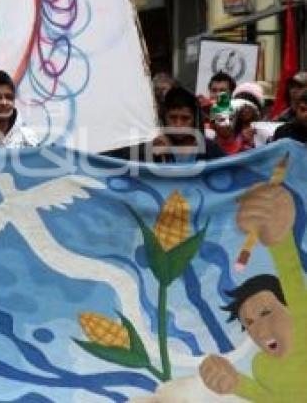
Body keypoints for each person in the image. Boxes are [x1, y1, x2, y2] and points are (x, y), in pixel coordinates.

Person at [199, 181, 306, 400]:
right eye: (248, 323)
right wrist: (235, 383)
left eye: (266, 313)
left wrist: (280, 238)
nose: (258, 330)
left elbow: (292, 278)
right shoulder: (264, 367)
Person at [107, 86, 225, 163]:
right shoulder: (151, 145)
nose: (178, 125)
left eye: (185, 118)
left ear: (195, 120)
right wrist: (147, 152)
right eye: (172, 117)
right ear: (164, 117)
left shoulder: (210, 150)